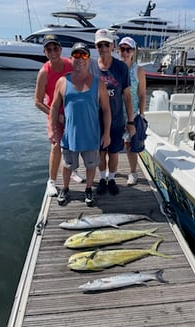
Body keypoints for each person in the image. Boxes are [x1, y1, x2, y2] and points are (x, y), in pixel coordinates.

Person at [48, 42, 111, 207]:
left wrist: (107, 134)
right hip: (69, 136)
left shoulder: (99, 84)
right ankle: (66, 188)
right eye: (76, 55)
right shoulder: (62, 82)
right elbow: (54, 107)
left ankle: (88, 189)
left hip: (92, 136)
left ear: (89, 60)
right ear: (71, 58)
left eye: (84, 55)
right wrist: (51, 129)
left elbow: (106, 110)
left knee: (91, 165)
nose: (80, 59)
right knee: (68, 165)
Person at [34, 34, 83, 198]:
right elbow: (38, 101)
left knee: (74, 143)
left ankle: (73, 170)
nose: (53, 51)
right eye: (49, 49)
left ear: (60, 50)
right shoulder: (44, 72)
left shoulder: (69, 65)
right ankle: (51, 182)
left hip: (72, 111)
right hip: (54, 113)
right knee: (56, 146)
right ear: (45, 52)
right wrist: (56, 116)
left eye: (55, 48)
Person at [90, 29, 135, 195]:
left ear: (112, 46)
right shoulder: (90, 66)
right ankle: (102, 178)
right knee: (100, 152)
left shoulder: (121, 67)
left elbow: (128, 96)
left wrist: (130, 121)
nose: (103, 48)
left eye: (106, 44)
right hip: (96, 120)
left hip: (116, 119)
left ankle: (112, 178)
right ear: (96, 46)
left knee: (114, 152)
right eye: (100, 44)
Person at [118, 36, 146, 185]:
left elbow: (142, 94)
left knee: (130, 145)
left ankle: (133, 172)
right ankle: (112, 169)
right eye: (122, 49)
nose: (125, 52)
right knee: (114, 144)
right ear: (118, 50)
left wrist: (141, 115)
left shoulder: (139, 70)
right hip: (116, 114)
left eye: (128, 49)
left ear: (133, 51)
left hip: (132, 114)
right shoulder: (115, 68)